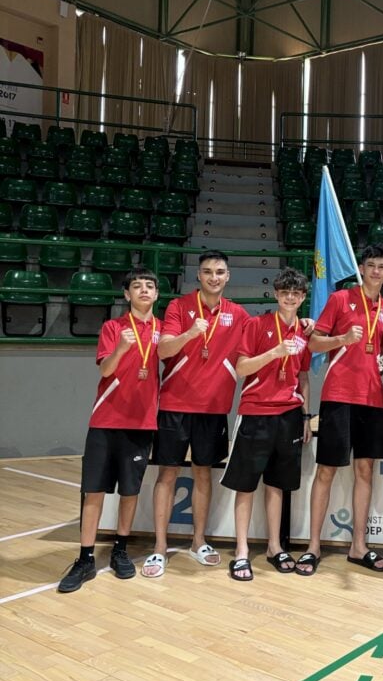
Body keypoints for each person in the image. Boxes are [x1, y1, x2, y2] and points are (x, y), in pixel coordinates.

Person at [142, 250, 250, 578]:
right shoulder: (178, 307)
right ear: (198, 276)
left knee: (203, 473)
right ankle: (159, 548)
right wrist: (190, 333)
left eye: (219, 272)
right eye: (207, 271)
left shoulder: (240, 315)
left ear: (227, 276)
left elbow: (261, 339)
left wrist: (305, 323)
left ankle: (198, 541)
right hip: (175, 404)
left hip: (214, 408)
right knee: (167, 475)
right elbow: (163, 350)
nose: (214, 277)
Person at [296, 244, 383, 576]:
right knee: (326, 470)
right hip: (338, 396)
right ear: (362, 268)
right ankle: (313, 546)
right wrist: (343, 339)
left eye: (382, 267)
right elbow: (313, 344)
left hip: (372, 399)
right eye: (371, 265)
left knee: (365, 471)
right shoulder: (341, 300)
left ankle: (358, 546)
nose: (376, 271)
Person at [58, 268, 161, 593]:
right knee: (94, 490)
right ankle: (85, 557)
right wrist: (120, 348)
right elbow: (106, 368)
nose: (144, 290)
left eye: (150, 286)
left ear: (156, 294)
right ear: (127, 295)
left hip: (142, 423)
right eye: (136, 286)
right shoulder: (113, 327)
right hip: (106, 421)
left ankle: (120, 550)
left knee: (130, 491)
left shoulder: (162, 331)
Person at [220, 269, 313, 581]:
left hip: (288, 416)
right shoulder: (256, 325)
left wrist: (305, 415)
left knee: (277, 483)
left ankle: (274, 546)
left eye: (296, 293)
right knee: (246, 485)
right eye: (285, 292)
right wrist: (274, 351)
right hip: (256, 411)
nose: (290, 297)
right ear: (276, 294)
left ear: (302, 298)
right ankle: (242, 550)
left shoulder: (304, 332)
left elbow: (302, 377)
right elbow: (241, 367)